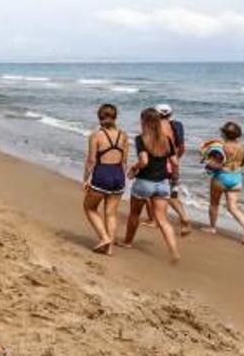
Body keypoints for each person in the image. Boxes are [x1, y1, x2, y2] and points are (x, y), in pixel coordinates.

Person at [122, 108, 180, 262]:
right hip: (162, 184)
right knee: (162, 220)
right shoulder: (167, 139)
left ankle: (127, 242)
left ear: (144, 121)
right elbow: (174, 162)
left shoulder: (141, 139)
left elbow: (144, 161)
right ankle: (174, 251)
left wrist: (134, 168)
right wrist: (174, 179)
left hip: (144, 183)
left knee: (134, 214)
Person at [82, 104, 128, 254]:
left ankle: (104, 238)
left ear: (99, 117)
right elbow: (124, 161)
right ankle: (109, 249)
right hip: (118, 176)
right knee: (111, 213)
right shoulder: (124, 135)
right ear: (115, 117)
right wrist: (122, 179)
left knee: (89, 208)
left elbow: (91, 161)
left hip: (102, 174)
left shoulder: (96, 135)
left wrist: (85, 179)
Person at [206, 122, 244, 244]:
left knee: (214, 204)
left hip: (221, 177)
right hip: (237, 178)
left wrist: (207, 162)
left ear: (224, 133)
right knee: (233, 207)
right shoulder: (242, 146)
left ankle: (212, 228)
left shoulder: (221, 146)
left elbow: (212, 164)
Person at [156, 104, 191, 234]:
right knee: (172, 193)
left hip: (160, 164)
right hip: (174, 163)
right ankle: (182, 218)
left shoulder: (156, 127)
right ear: (170, 114)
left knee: (161, 193)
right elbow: (182, 147)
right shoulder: (178, 125)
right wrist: (176, 159)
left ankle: (158, 220)